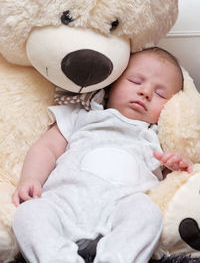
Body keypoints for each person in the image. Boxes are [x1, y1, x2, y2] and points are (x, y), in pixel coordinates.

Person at [12, 47, 192, 263]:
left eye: (160, 93)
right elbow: (46, 148)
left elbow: (171, 183)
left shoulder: (154, 137)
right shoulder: (82, 115)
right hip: (64, 205)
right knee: (29, 212)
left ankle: (116, 258)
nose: (145, 92)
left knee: (147, 212)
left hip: (119, 214)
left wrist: (178, 165)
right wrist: (31, 179)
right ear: (112, 85)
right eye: (135, 81)